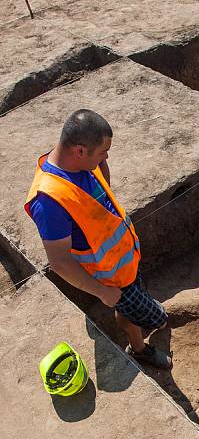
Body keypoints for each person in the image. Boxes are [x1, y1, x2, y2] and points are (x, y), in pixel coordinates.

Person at [24, 109, 172, 369]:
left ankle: (137, 331)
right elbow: (59, 261)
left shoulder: (80, 162)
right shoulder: (49, 201)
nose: (106, 157)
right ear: (80, 150)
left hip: (125, 263)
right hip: (110, 278)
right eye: (102, 152)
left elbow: (101, 188)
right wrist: (103, 292)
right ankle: (139, 350)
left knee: (141, 310)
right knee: (154, 317)